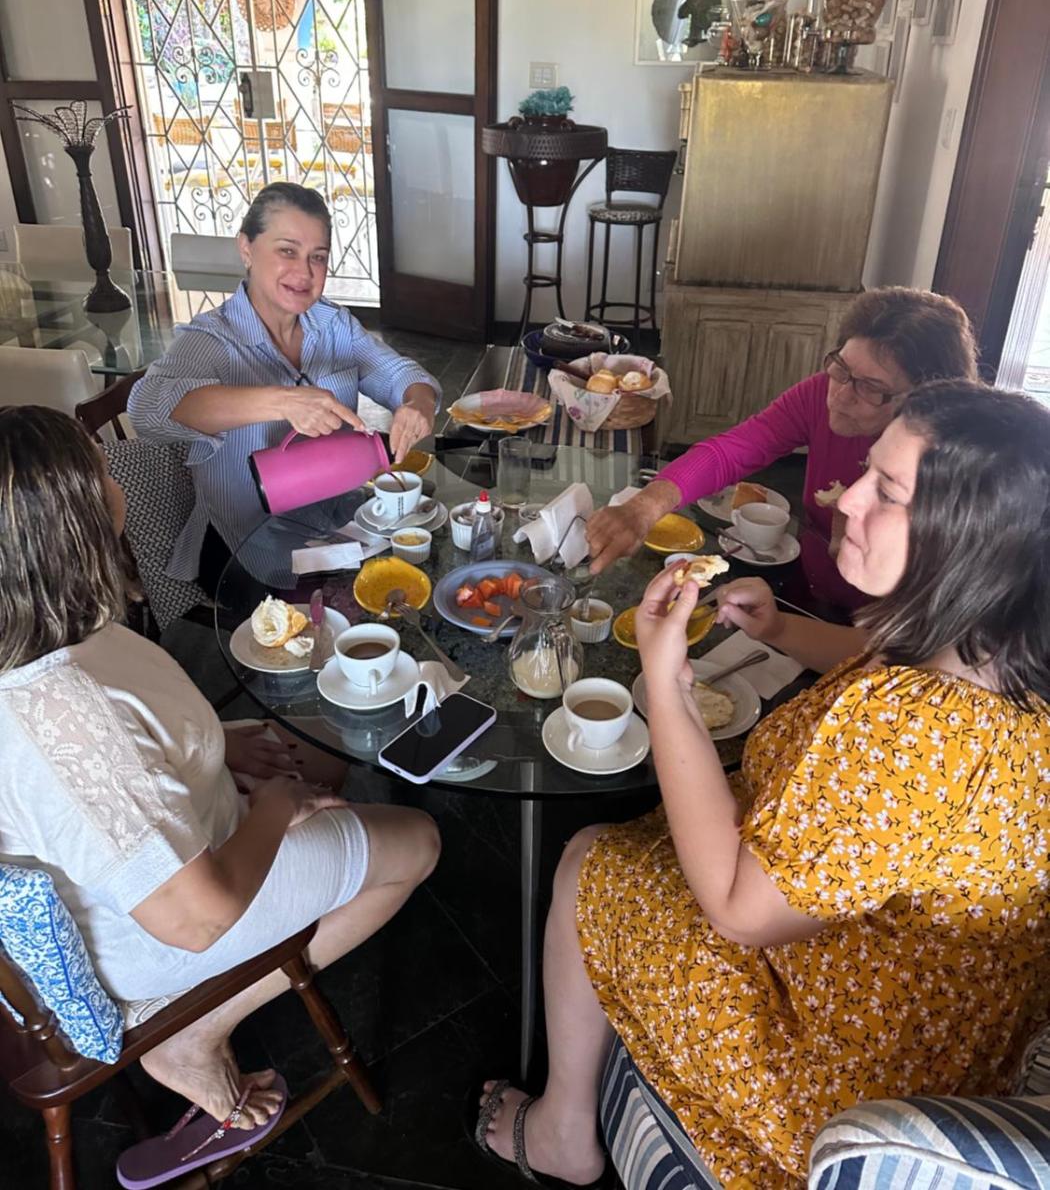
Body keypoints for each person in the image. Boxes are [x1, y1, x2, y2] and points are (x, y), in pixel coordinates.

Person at [477, 380, 1050, 1189]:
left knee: (588, 860)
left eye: (887, 491)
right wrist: (780, 628)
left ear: (973, 538)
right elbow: (870, 660)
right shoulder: (994, 651)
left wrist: (665, 681)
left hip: (846, 1070)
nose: (847, 499)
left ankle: (562, 1132)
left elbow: (740, 913)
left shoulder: (920, 732)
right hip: (921, 1015)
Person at [0, 405, 440, 1137]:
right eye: (103, 473)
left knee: (327, 737)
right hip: (160, 930)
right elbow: (196, 918)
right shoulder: (65, 716)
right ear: (67, 524)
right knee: (417, 841)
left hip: (177, 838)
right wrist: (277, 807)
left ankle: (301, 860)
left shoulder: (47, 627)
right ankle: (193, 1033)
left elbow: (125, 749)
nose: (117, 483)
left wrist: (219, 745)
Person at [586, 286, 979, 611]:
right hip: (802, 600)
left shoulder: (949, 469)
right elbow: (732, 451)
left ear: (925, 402)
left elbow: (918, 631)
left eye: (871, 388)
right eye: (841, 368)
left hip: (879, 644)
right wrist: (644, 507)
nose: (840, 395)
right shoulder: (821, 393)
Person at [130, 183, 441, 588]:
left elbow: (401, 374)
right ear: (246, 248)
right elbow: (146, 408)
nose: (305, 272)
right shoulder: (212, 340)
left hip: (334, 527)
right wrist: (282, 402)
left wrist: (418, 403)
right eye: (287, 251)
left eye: (318, 257)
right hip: (244, 550)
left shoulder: (332, 325)